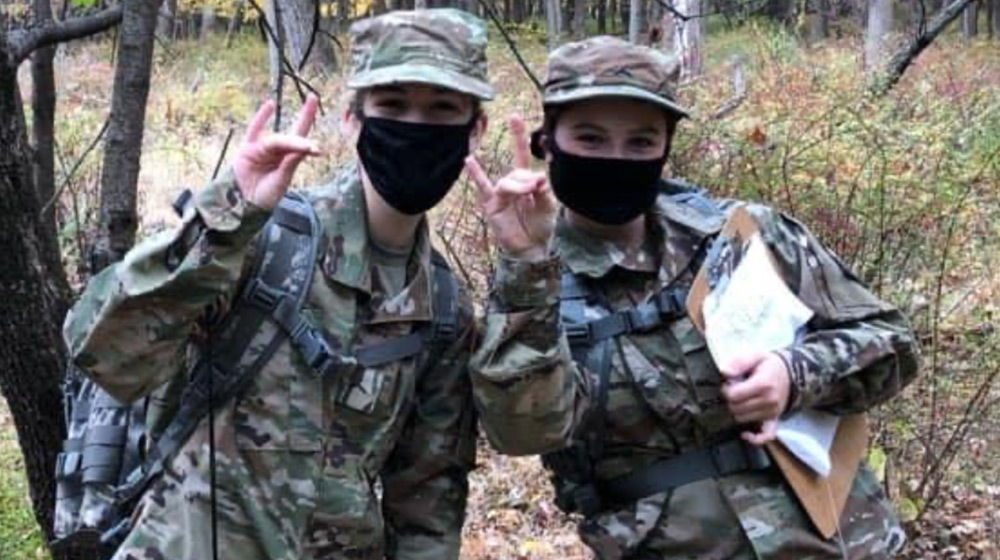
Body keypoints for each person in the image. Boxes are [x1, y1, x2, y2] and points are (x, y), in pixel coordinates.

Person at [467, 36, 920, 560]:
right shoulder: (537, 281)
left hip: (839, 542)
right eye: (590, 139)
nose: (616, 157)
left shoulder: (744, 237)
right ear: (549, 142)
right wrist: (526, 265)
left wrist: (794, 374)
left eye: (641, 142)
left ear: (666, 146)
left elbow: (893, 342)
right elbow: (520, 431)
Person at [63, 8, 492, 560]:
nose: (415, 127)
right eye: (391, 105)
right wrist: (225, 218)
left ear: (473, 130)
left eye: (442, 109)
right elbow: (101, 349)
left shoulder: (445, 307)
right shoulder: (260, 239)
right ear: (351, 119)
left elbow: (427, 498)